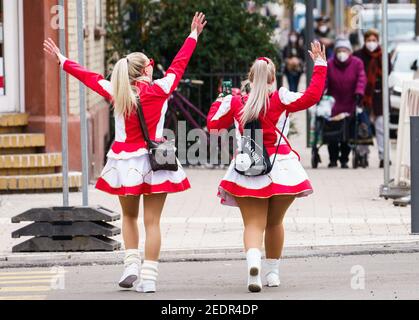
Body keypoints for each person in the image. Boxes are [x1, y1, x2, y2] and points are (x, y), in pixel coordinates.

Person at [43, 13, 207, 293]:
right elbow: (179, 65)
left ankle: (131, 264)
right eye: (150, 66)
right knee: (152, 221)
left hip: (125, 162)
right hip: (156, 161)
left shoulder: (116, 91)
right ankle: (150, 277)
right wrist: (192, 35)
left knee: (129, 217)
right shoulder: (161, 89)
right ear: (145, 70)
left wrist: (63, 61)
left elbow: (89, 78)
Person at [207, 42, 327, 293]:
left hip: (249, 166)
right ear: (273, 78)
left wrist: (220, 100)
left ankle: (254, 267)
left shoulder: (237, 101)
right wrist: (320, 64)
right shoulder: (281, 96)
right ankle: (272, 273)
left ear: (250, 78)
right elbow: (312, 97)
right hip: (282, 167)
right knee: (275, 223)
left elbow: (213, 125)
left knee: (253, 224)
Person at [326, 38, 367, 169]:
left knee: (347, 134)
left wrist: (359, 92)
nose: (342, 53)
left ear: (349, 51)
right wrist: (321, 92)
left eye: (345, 50)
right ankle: (333, 159)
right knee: (333, 134)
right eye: (339, 50)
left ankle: (344, 159)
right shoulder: (330, 64)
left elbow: (361, 78)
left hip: (350, 103)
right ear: (336, 51)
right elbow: (324, 80)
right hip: (334, 104)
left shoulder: (357, 63)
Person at [354, 29, 390, 168]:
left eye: (374, 40)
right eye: (369, 40)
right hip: (364, 97)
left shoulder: (383, 56)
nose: (371, 43)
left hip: (380, 97)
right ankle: (363, 155)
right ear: (364, 41)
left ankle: (383, 156)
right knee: (363, 127)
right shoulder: (358, 55)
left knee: (381, 127)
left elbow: (388, 72)